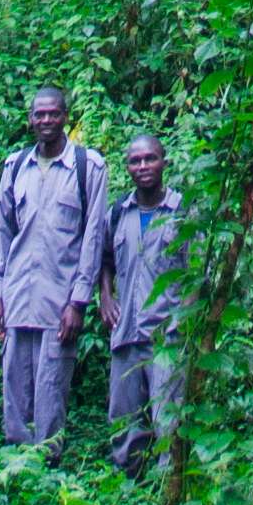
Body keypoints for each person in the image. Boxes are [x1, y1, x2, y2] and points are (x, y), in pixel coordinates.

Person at [0, 87, 112, 450]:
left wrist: (78, 302)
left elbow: (92, 238)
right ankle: (15, 467)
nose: (46, 121)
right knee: (14, 385)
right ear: (30, 119)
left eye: (53, 114)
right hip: (16, 299)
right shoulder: (15, 167)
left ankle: (47, 463)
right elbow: (4, 234)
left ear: (65, 117)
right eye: (39, 114)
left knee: (51, 387)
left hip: (58, 304)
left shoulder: (88, 167)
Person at [97, 134, 188, 473]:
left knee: (168, 421)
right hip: (126, 334)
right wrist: (106, 296)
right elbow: (104, 259)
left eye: (150, 159)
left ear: (164, 161)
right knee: (124, 424)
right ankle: (127, 495)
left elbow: (197, 273)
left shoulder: (181, 211)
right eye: (135, 161)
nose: (143, 166)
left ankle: (168, 492)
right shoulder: (119, 212)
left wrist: (182, 325)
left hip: (167, 336)